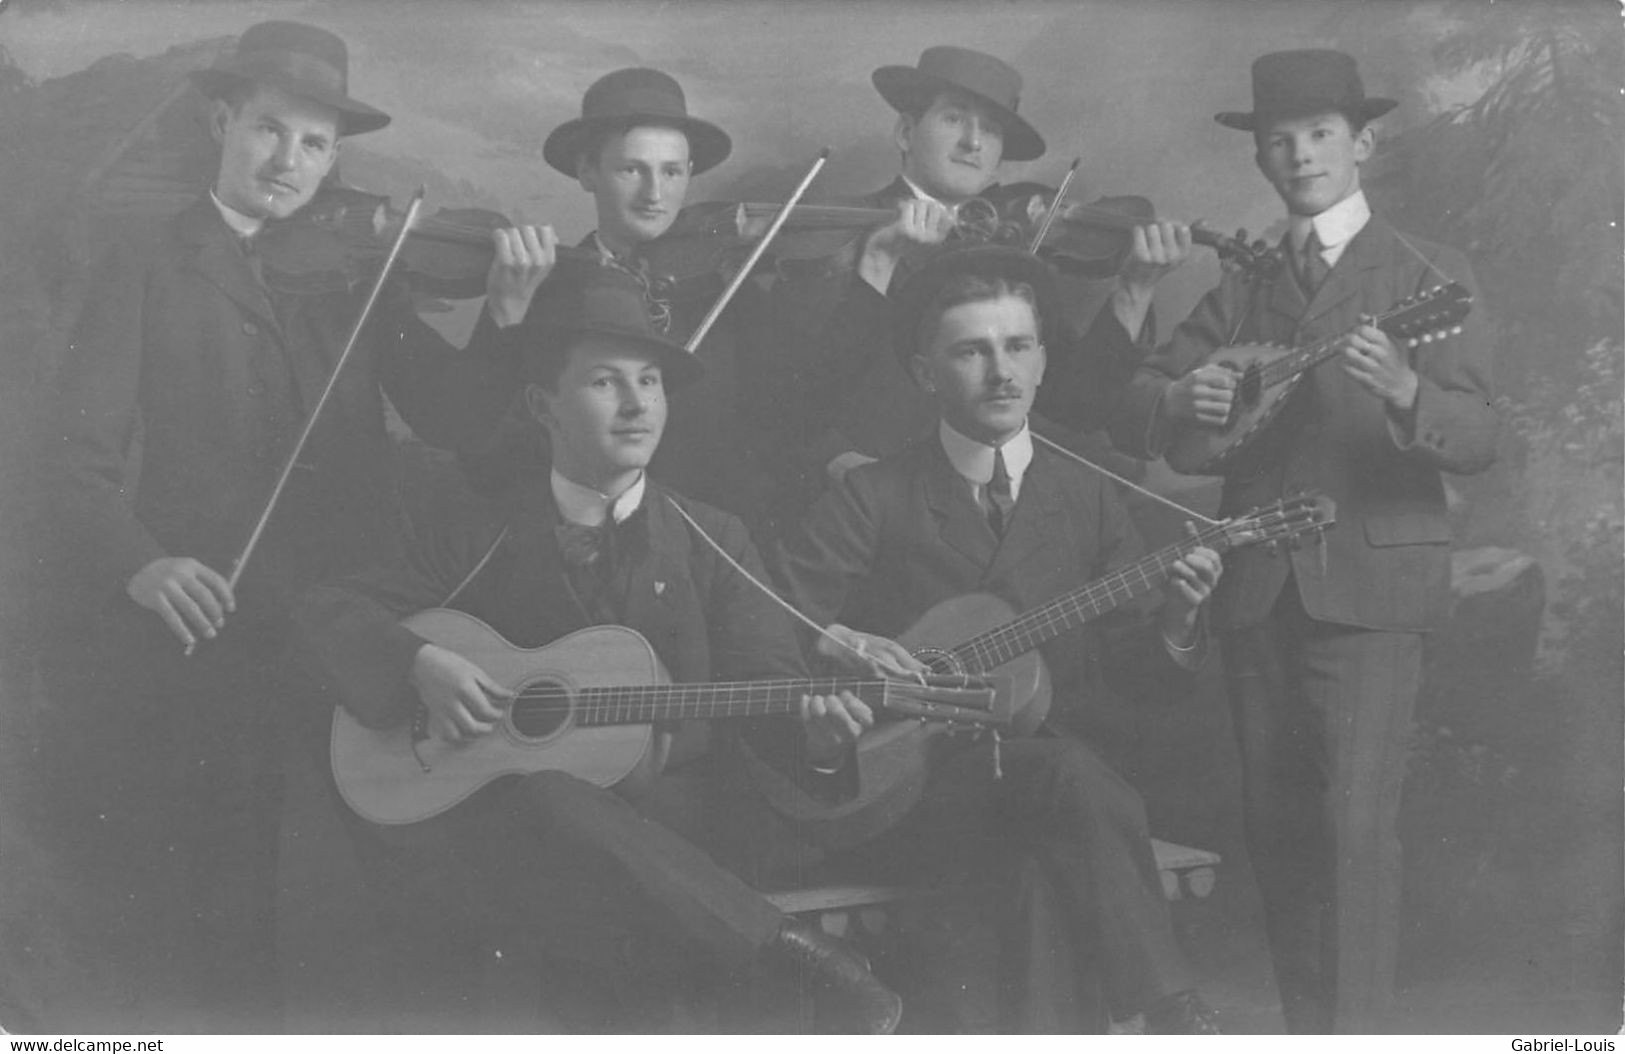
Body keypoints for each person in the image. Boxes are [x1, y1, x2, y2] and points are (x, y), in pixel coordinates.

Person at [36, 20, 555, 1029]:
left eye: (315, 145)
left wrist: (507, 316)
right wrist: (142, 564)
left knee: (368, 906)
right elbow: (72, 462)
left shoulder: (354, 271)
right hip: (222, 632)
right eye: (271, 131)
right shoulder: (145, 260)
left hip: (363, 626)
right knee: (238, 905)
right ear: (223, 121)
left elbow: (451, 416)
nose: (289, 162)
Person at [291, 262, 902, 1034]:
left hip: (679, 818)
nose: (637, 404)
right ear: (543, 405)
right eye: (605, 383)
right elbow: (325, 608)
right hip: (525, 830)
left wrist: (814, 739)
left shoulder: (715, 535)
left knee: (572, 881)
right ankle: (786, 960)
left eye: (649, 382)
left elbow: (770, 688)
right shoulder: (480, 530)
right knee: (542, 807)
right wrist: (419, 662)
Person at [1106, 50, 1499, 1033]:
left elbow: (1485, 433)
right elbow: (1135, 406)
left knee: (1351, 830)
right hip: (1253, 586)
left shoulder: (1424, 275)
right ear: (1260, 158)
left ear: (1359, 142)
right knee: (1277, 834)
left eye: (1318, 132)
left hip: (1368, 587)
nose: (1296, 153)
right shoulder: (1240, 290)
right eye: (1277, 138)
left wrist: (1408, 393)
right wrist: (1176, 396)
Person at [770, 243, 1225, 1033]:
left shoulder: (1086, 495)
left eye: (1017, 346)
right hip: (913, 787)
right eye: (971, 352)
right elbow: (770, 619)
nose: (1000, 372)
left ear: (1044, 360)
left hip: (1049, 789)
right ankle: (1169, 1008)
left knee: (1036, 867)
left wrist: (1180, 622)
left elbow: (1139, 674)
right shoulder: (874, 494)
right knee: (1066, 780)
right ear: (924, 373)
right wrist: (841, 637)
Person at [744, 46, 1192, 529]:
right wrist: (877, 266)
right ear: (906, 131)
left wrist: (1134, 291)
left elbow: (1075, 405)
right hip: (873, 506)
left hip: (994, 506)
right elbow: (787, 408)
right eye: (954, 119)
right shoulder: (838, 239)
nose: (973, 143)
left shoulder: (1018, 253)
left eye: (991, 130)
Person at [468, 66, 766, 521]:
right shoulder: (538, 288)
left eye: (671, 172)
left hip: (705, 537)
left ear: (689, 172)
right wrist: (507, 316)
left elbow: (780, 420)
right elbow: (485, 459)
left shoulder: (725, 285)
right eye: (631, 169)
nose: (654, 194)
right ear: (587, 172)